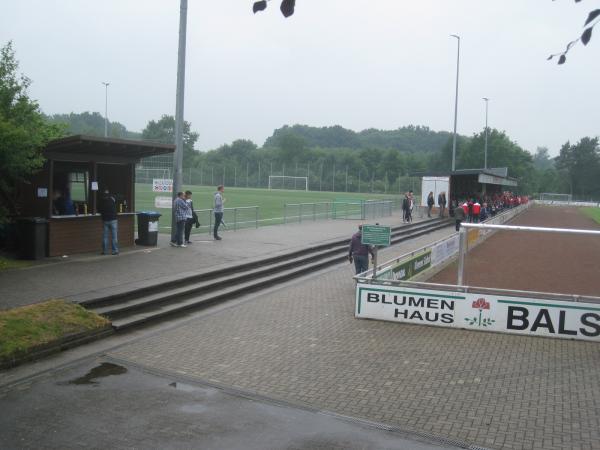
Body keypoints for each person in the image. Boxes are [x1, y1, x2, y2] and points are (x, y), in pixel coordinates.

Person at [98, 188, 119, 255]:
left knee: (105, 237)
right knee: (114, 237)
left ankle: (105, 251)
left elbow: (99, 210)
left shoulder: (101, 201)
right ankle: (115, 250)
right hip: (113, 220)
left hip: (105, 220)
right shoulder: (112, 199)